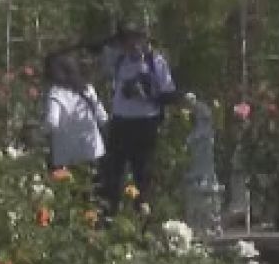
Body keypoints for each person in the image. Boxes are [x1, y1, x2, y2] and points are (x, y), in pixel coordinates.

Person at [96, 23, 177, 209]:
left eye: (135, 39)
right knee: (112, 172)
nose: (132, 44)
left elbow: (169, 94)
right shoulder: (119, 60)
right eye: (127, 40)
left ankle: (143, 212)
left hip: (145, 122)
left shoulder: (155, 62)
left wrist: (146, 93)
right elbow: (101, 51)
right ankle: (110, 211)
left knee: (143, 172)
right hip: (120, 121)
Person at [41, 50, 108, 177]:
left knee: (71, 187)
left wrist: (41, 132)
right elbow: (102, 117)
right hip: (93, 150)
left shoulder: (56, 93)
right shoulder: (87, 88)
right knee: (94, 184)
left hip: (68, 155)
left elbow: (52, 122)